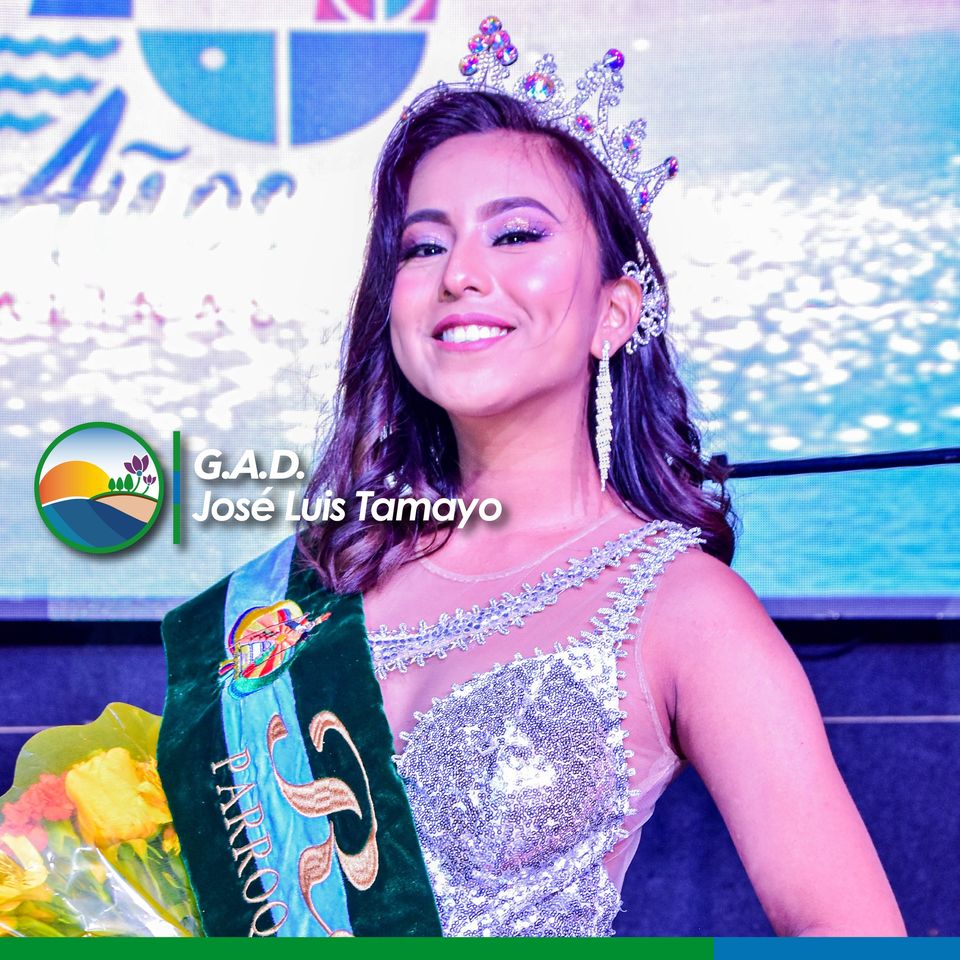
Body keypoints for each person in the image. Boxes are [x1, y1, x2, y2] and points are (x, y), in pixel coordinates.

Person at [158, 18, 907, 938]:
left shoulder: (680, 607)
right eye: (422, 247)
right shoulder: (311, 582)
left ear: (613, 312)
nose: (460, 275)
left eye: (515, 234)